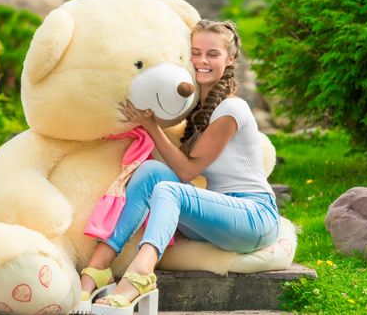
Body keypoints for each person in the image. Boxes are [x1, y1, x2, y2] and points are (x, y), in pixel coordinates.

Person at [80, 19, 280, 312]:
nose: (201, 61)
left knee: (170, 190)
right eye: (195, 52)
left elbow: (187, 171)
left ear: (231, 58)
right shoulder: (198, 107)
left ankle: (141, 275)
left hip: (254, 218)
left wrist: (151, 126)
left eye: (212, 54)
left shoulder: (231, 109)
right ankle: (96, 269)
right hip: (220, 216)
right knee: (149, 172)